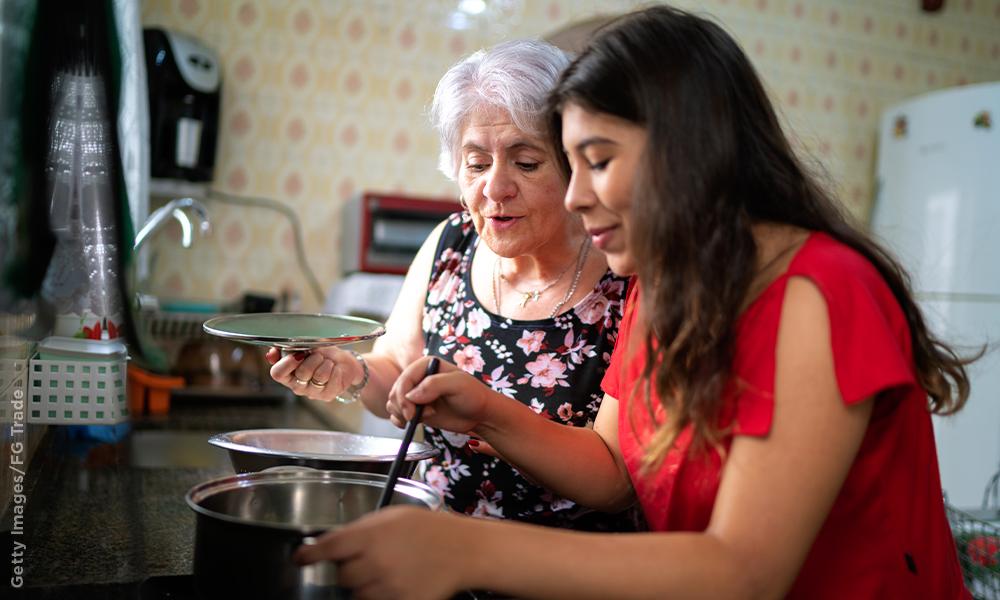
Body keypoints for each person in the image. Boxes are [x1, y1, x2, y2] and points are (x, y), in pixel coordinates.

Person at [291, 6, 976, 599]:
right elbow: (617, 471)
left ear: (687, 152)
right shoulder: (667, 284)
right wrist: (479, 411)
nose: (574, 194)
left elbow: (745, 571)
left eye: (596, 160)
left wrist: (464, 550)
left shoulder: (822, 291)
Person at [268, 39, 638, 531]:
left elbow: (614, 483)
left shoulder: (625, 274)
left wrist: (487, 413)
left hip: (565, 568)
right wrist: (350, 373)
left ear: (574, 164)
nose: (495, 188)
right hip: (438, 549)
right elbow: (398, 374)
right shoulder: (450, 244)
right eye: (477, 163)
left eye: (526, 163)